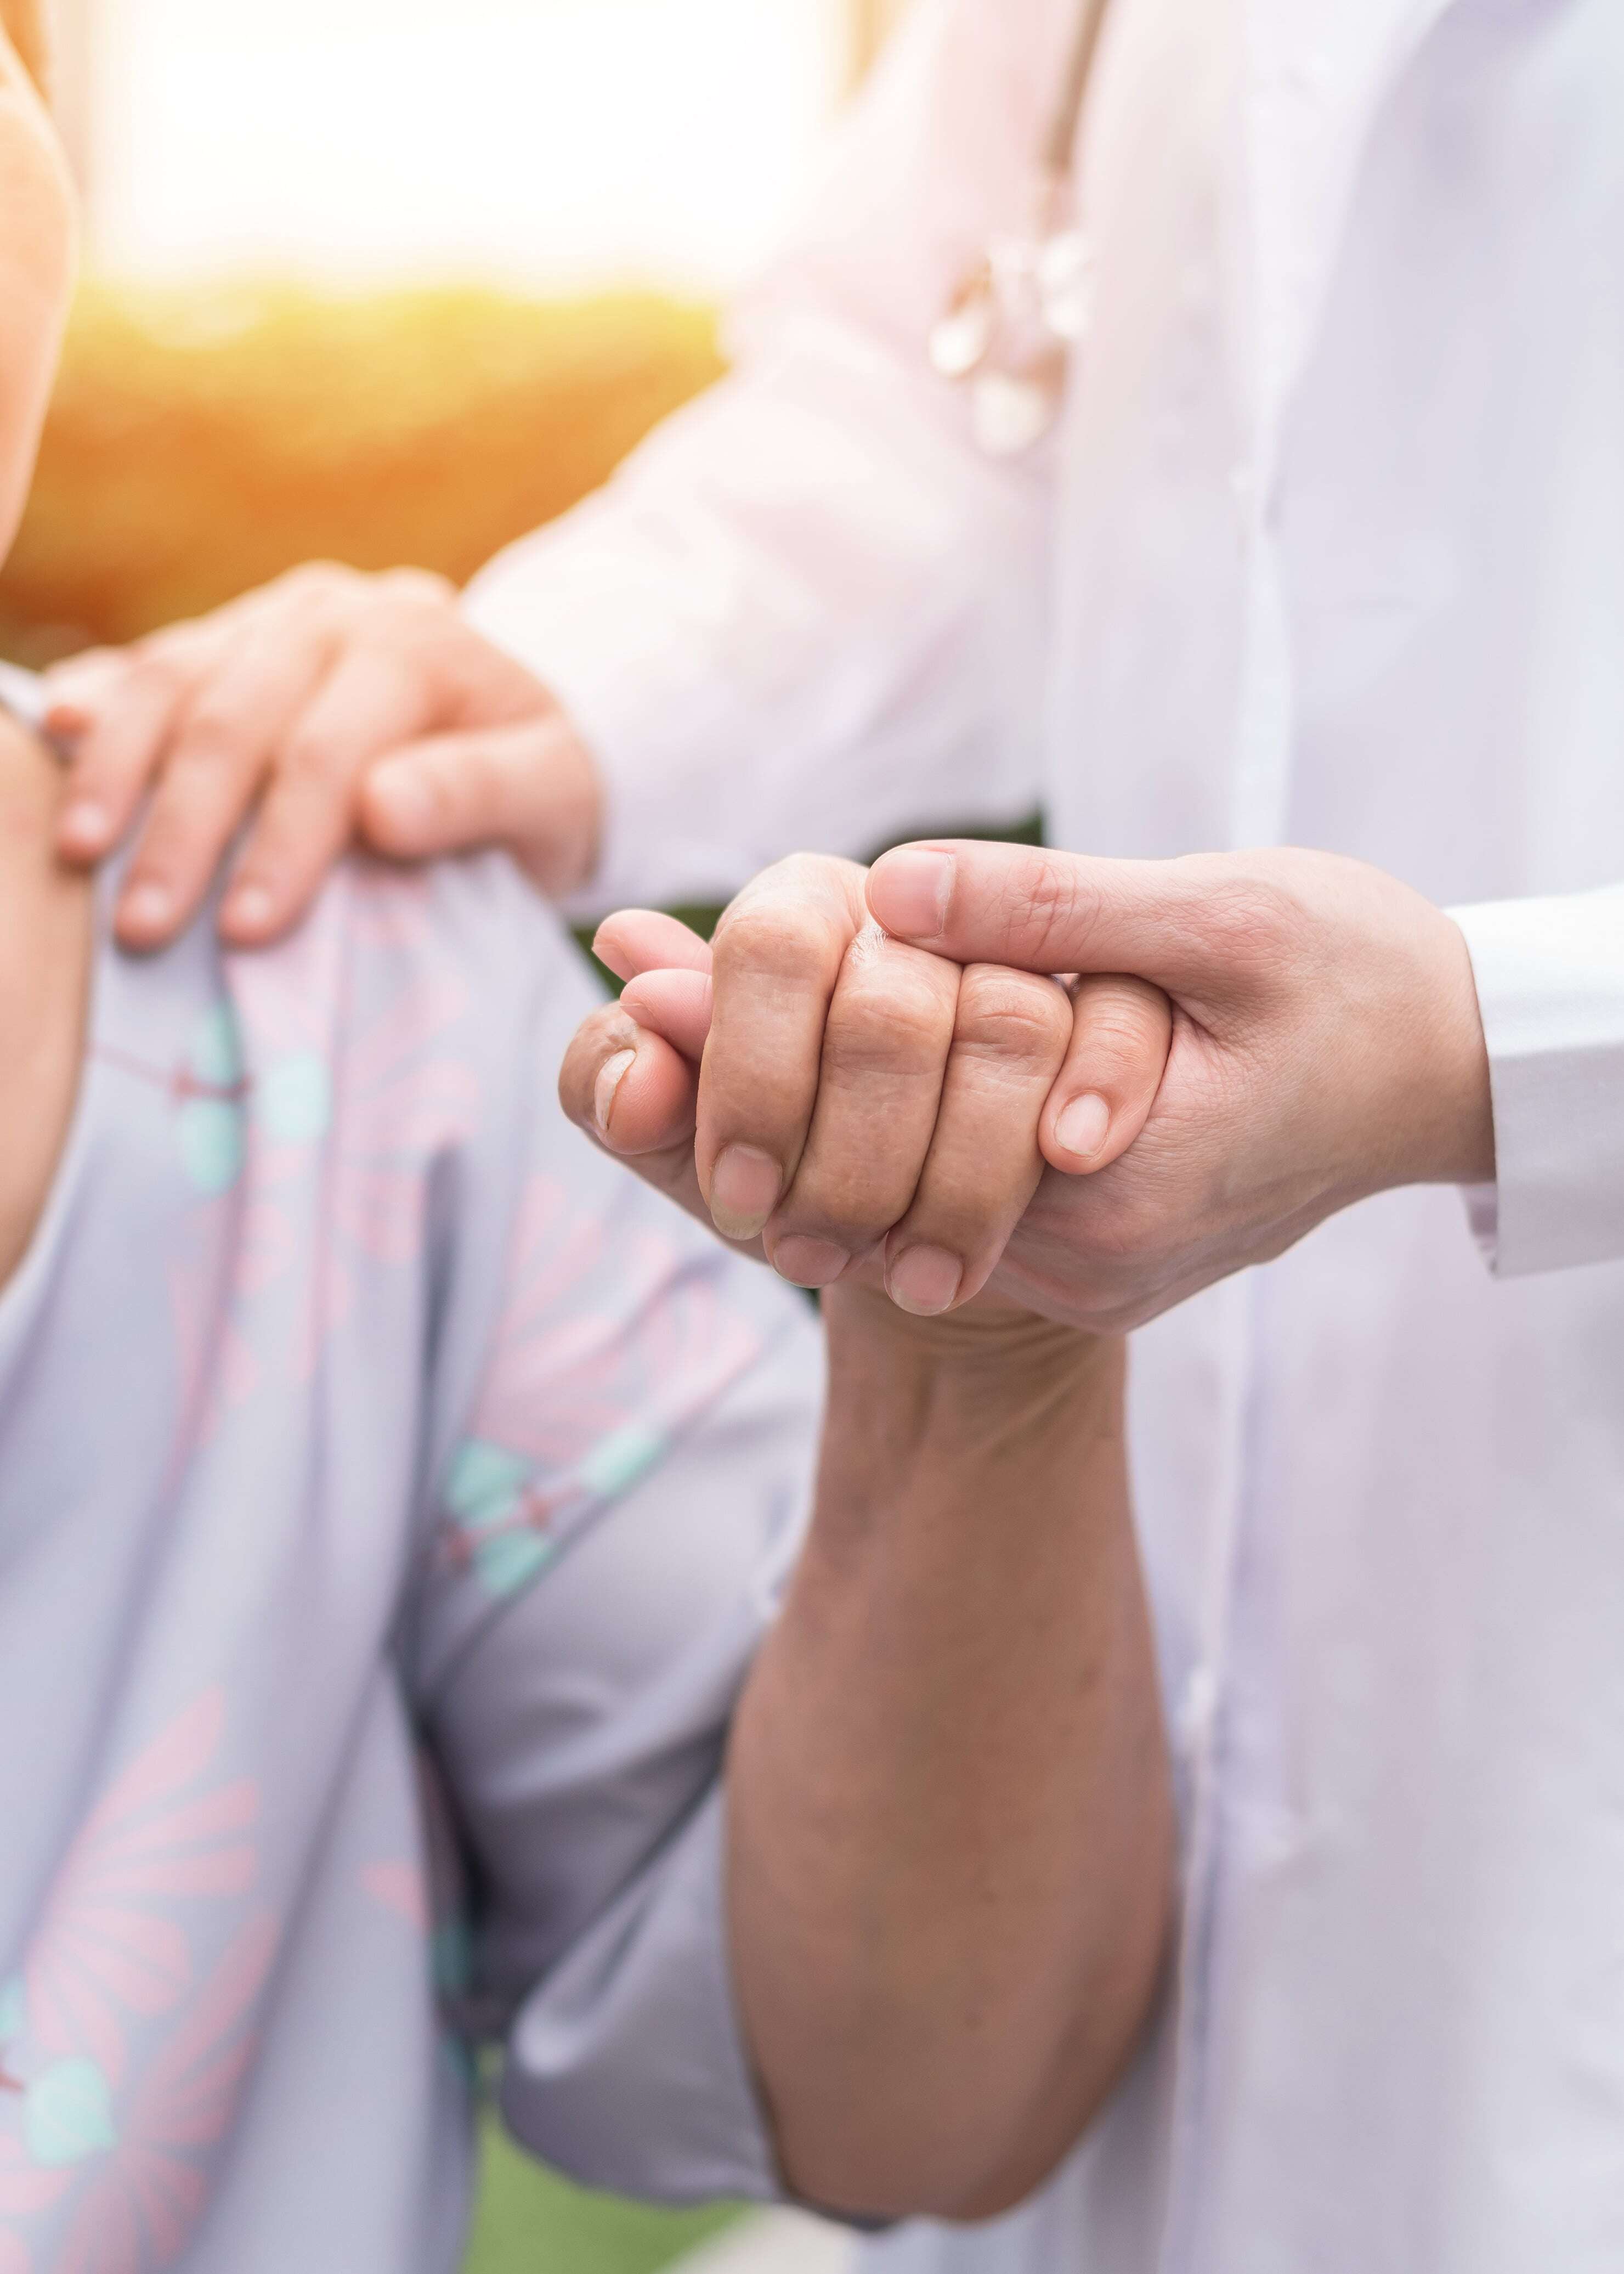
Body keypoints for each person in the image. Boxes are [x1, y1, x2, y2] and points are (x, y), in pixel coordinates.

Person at [28, 0, 1624, 2267]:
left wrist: (1499, 1042)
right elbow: (969, 363)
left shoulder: (328, 1084)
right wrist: (534, 697)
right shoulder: (319, 981)